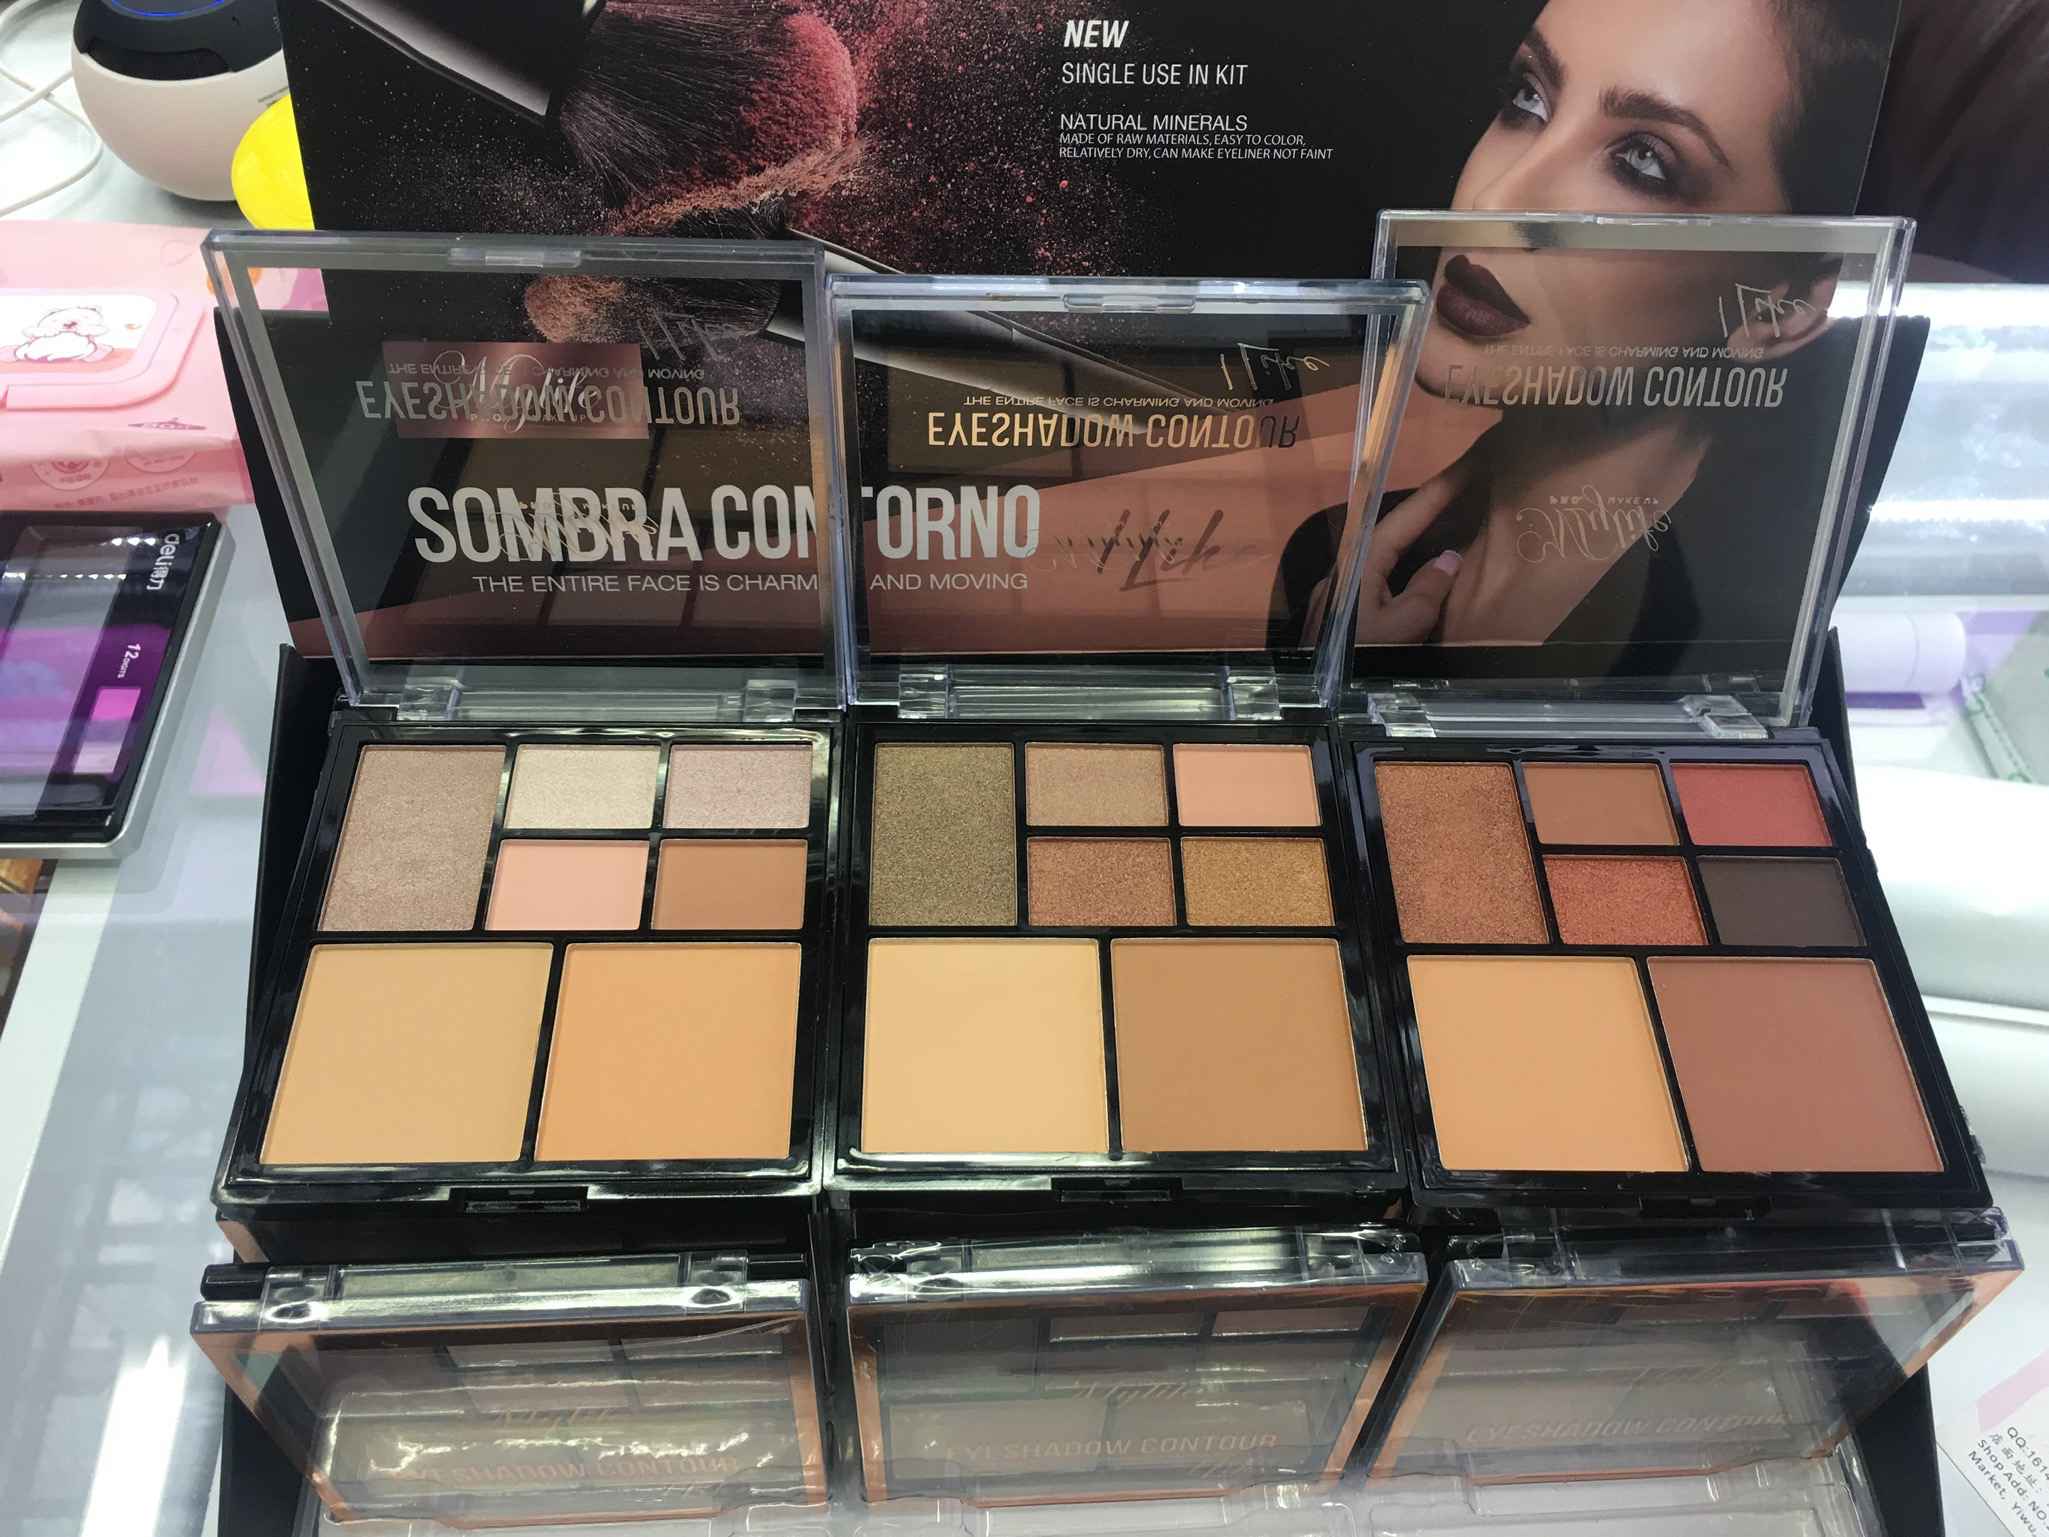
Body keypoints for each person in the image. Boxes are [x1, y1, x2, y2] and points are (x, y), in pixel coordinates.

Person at [1350, 0, 1895, 651]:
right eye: (1527, 98)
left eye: (1642, 162)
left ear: (1782, 305)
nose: (1494, 201)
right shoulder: (1346, 577)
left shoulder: (1730, 647)